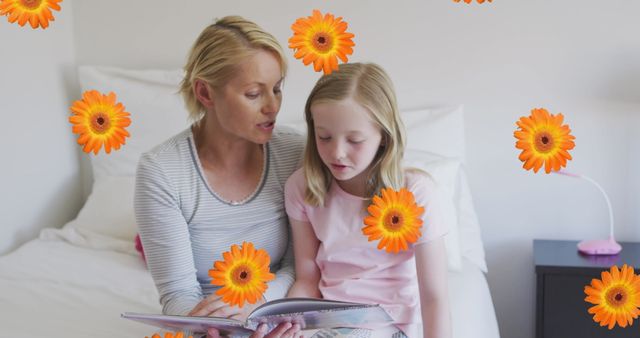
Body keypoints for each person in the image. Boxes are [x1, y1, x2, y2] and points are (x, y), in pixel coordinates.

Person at [134, 16, 304, 338]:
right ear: (205, 93)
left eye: (277, 89)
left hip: (276, 315)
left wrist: (258, 305)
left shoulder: (295, 152)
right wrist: (218, 329)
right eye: (254, 94)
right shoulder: (161, 171)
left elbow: (299, 267)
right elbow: (178, 295)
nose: (273, 106)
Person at [284, 63, 452, 338]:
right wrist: (288, 322)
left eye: (354, 140)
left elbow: (434, 296)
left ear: (384, 137)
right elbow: (307, 278)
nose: (336, 153)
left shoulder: (415, 192)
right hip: (329, 325)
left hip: (391, 327)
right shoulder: (302, 187)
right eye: (324, 136)